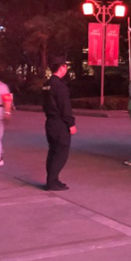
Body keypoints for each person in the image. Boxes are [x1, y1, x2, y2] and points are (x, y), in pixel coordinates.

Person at [42, 58, 76, 191]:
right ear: (62, 67)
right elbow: (64, 106)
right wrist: (71, 123)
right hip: (60, 123)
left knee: (53, 151)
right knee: (61, 153)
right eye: (65, 66)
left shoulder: (47, 84)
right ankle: (52, 182)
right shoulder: (60, 85)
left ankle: (53, 179)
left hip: (50, 121)